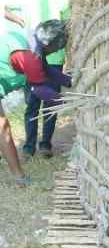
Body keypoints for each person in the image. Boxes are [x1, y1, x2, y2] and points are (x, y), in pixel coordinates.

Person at [0, 20, 71, 183]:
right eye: (58, 48)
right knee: (3, 128)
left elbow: (47, 70)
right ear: (51, 45)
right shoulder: (30, 56)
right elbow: (40, 90)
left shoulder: (33, 41)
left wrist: (70, 81)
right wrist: (67, 101)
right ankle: (19, 177)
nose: (58, 51)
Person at [19, 0, 69, 157]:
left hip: (55, 55)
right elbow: (5, 8)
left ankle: (45, 144)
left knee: (51, 102)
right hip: (32, 56)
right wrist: (22, 22)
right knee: (32, 102)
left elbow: (68, 21)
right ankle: (29, 146)